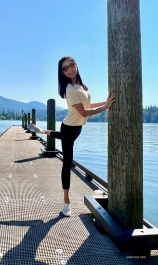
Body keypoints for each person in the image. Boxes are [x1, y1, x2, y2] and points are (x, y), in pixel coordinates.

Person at [29, 56, 115, 217]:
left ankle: (44, 131)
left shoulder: (82, 86)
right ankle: (66, 202)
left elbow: (87, 105)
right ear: (61, 72)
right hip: (69, 126)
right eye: (65, 68)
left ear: (76, 65)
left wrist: (104, 102)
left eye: (71, 65)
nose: (70, 69)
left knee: (64, 137)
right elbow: (83, 112)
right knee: (67, 162)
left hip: (77, 128)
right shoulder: (70, 89)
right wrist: (106, 107)